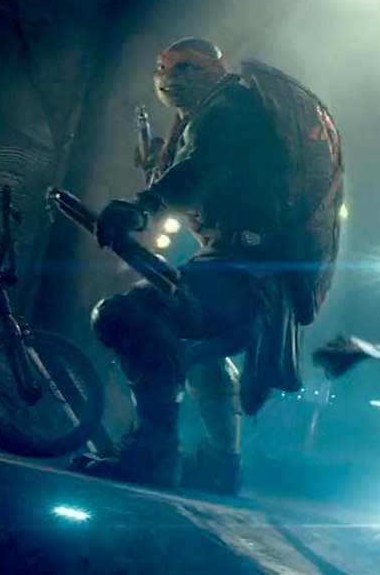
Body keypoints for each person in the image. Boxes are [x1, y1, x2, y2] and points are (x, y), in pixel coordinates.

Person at [82, 37, 344, 496]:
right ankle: (223, 464)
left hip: (251, 272)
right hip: (242, 265)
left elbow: (202, 168)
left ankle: (154, 453)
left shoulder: (228, 108)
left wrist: (143, 205)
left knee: (127, 314)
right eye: (164, 67)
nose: (171, 77)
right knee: (193, 344)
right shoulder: (217, 111)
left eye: (186, 66)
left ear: (213, 68)